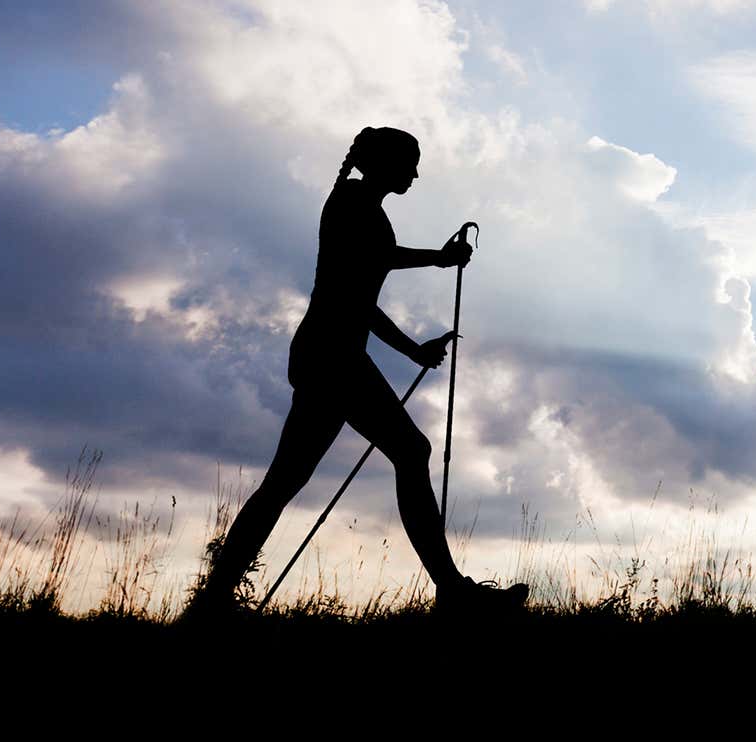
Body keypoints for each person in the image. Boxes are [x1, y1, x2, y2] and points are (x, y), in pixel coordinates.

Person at [184, 126, 528, 619]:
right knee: (409, 451)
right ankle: (454, 593)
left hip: (331, 355)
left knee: (287, 482)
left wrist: (411, 350)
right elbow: (370, 272)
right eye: (409, 161)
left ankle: (214, 599)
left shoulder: (362, 207)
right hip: (333, 359)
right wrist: (438, 258)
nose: (415, 172)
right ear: (384, 163)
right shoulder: (351, 203)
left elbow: (360, 299)